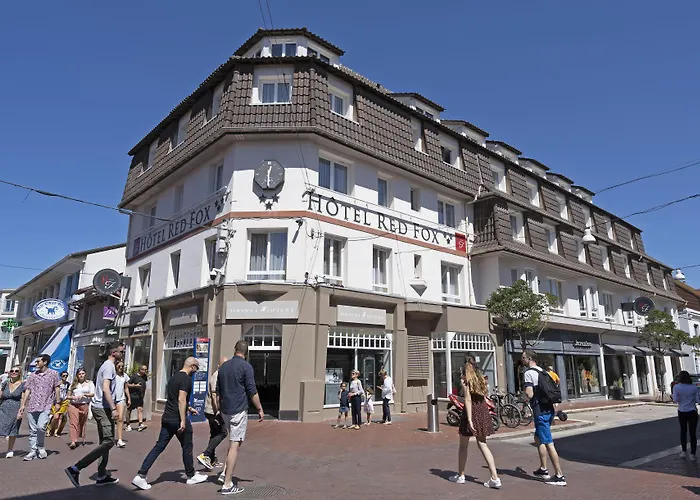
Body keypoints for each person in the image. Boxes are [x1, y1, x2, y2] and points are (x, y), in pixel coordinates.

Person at [131, 357, 207, 490]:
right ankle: (191, 475)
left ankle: (141, 475)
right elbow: (181, 399)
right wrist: (183, 420)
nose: (196, 371)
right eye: (197, 368)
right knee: (187, 446)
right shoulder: (186, 379)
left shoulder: (174, 377)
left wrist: (189, 408)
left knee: (159, 447)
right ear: (192, 366)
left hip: (167, 417)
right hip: (177, 419)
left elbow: (174, 398)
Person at [64, 343, 124, 487]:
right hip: (103, 408)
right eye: (121, 351)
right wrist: (113, 408)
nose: (123, 353)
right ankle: (76, 468)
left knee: (105, 442)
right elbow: (106, 389)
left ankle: (101, 475)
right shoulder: (109, 366)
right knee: (109, 441)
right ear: (114, 353)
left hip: (101, 407)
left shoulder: (106, 366)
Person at [217, 340, 264, 495]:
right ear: (246, 352)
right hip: (238, 410)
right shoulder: (246, 367)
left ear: (234, 349)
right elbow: (252, 390)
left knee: (233, 442)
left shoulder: (224, 367)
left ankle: (224, 472)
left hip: (225, 410)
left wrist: (218, 409)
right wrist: (259, 408)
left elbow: (217, 391)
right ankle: (227, 484)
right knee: (235, 444)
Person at [449, 356, 501, 488]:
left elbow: (467, 399)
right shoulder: (480, 378)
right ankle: (494, 477)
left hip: (471, 411)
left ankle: (461, 475)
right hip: (482, 409)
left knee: (463, 445)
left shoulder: (466, 380)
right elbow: (484, 394)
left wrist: (470, 419)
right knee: (483, 443)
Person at [522, 350, 566, 486]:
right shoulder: (543, 371)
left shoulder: (529, 373)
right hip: (548, 410)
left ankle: (559, 476)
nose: (522, 359)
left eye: (523, 357)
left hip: (540, 411)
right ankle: (543, 468)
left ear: (529, 358)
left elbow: (529, 394)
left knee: (548, 443)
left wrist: (524, 397)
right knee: (538, 438)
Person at [18, 354, 61, 461]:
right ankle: (32, 451)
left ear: (45, 362)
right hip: (32, 405)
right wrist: (23, 404)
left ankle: (40, 446)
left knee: (41, 427)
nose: (36, 363)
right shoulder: (33, 375)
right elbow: (28, 389)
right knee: (32, 430)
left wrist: (58, 402)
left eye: (38, 361)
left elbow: (57, 388)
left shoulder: (54, 374)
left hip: (46, 405)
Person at [197, 356, 229, 470]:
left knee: (214, 434)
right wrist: (217, 411)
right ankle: (205, 454)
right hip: (213, 411)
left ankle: (210, 459)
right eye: (224, 365)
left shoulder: (221, 375)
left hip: (211, 410)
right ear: (219, 365)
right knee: (223, 432)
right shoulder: (216, 376)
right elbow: (214, 395)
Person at [673, 370, 700, 460]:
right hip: (692, 411)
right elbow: (698, 400)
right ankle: (693, 454)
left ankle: (684, 451)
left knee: (683, 431)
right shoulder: (694, 387)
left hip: (682, 411)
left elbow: (675, 399)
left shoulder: (676, 387)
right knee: (692, 433)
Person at [0, 365, 24, 458]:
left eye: (16, 371)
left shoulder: (22, 385)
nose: (14, 372)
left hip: (15, 409)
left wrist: (21, 411)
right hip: (3, 408)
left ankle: (10, 449)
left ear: (19, 373)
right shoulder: (5, 383)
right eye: (12, 371)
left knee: (13, 431)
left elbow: (23, 399)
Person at [67, 368, 94, 449]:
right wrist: (74, 397)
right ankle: (73, 441)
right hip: (73, 405)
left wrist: (84, 395)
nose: (81, 375)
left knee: (81, 423)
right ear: (77, 375)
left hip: (84, 405)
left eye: (82, 373)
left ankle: (79, 435)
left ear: (85, 374)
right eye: (79, 374)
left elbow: (93, 394)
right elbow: (68, 396)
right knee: (74, 422)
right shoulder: (74, 384)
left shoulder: (90, 383)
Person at [47, 371, 71, 437]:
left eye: (66, 376)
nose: (65, 377)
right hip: (56, 401)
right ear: (61, 376)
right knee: (55, 417)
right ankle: (49, 429)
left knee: (60, 417)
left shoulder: (68, 384)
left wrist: (68, 400)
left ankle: (56, 432)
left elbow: (69, 392)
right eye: (63, 376)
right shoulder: (57, 383)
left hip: (64, 401)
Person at [126, 365, 148, 432]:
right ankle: (127, 425)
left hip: (140, 397)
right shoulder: (134, 376)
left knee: (140, 409)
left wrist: (143, 393)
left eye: (146, 370)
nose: (145, 371)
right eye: (143, 369)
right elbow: (127, 384)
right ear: (140, 370)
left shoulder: (145, 377)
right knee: (129, 410)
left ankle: (140, 424)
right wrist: (135, 385)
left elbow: (144, 385)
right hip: (133, 396)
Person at [114, 361, 130, 448]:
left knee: (120, 419)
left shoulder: (125, 376)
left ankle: (119, 439)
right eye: (119, 366)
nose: (121, 367)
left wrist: (129, 398)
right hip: (112, 399)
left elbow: (126, 388)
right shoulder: (113, 375)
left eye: (122, 366)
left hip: (121, 398)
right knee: (111, 419)